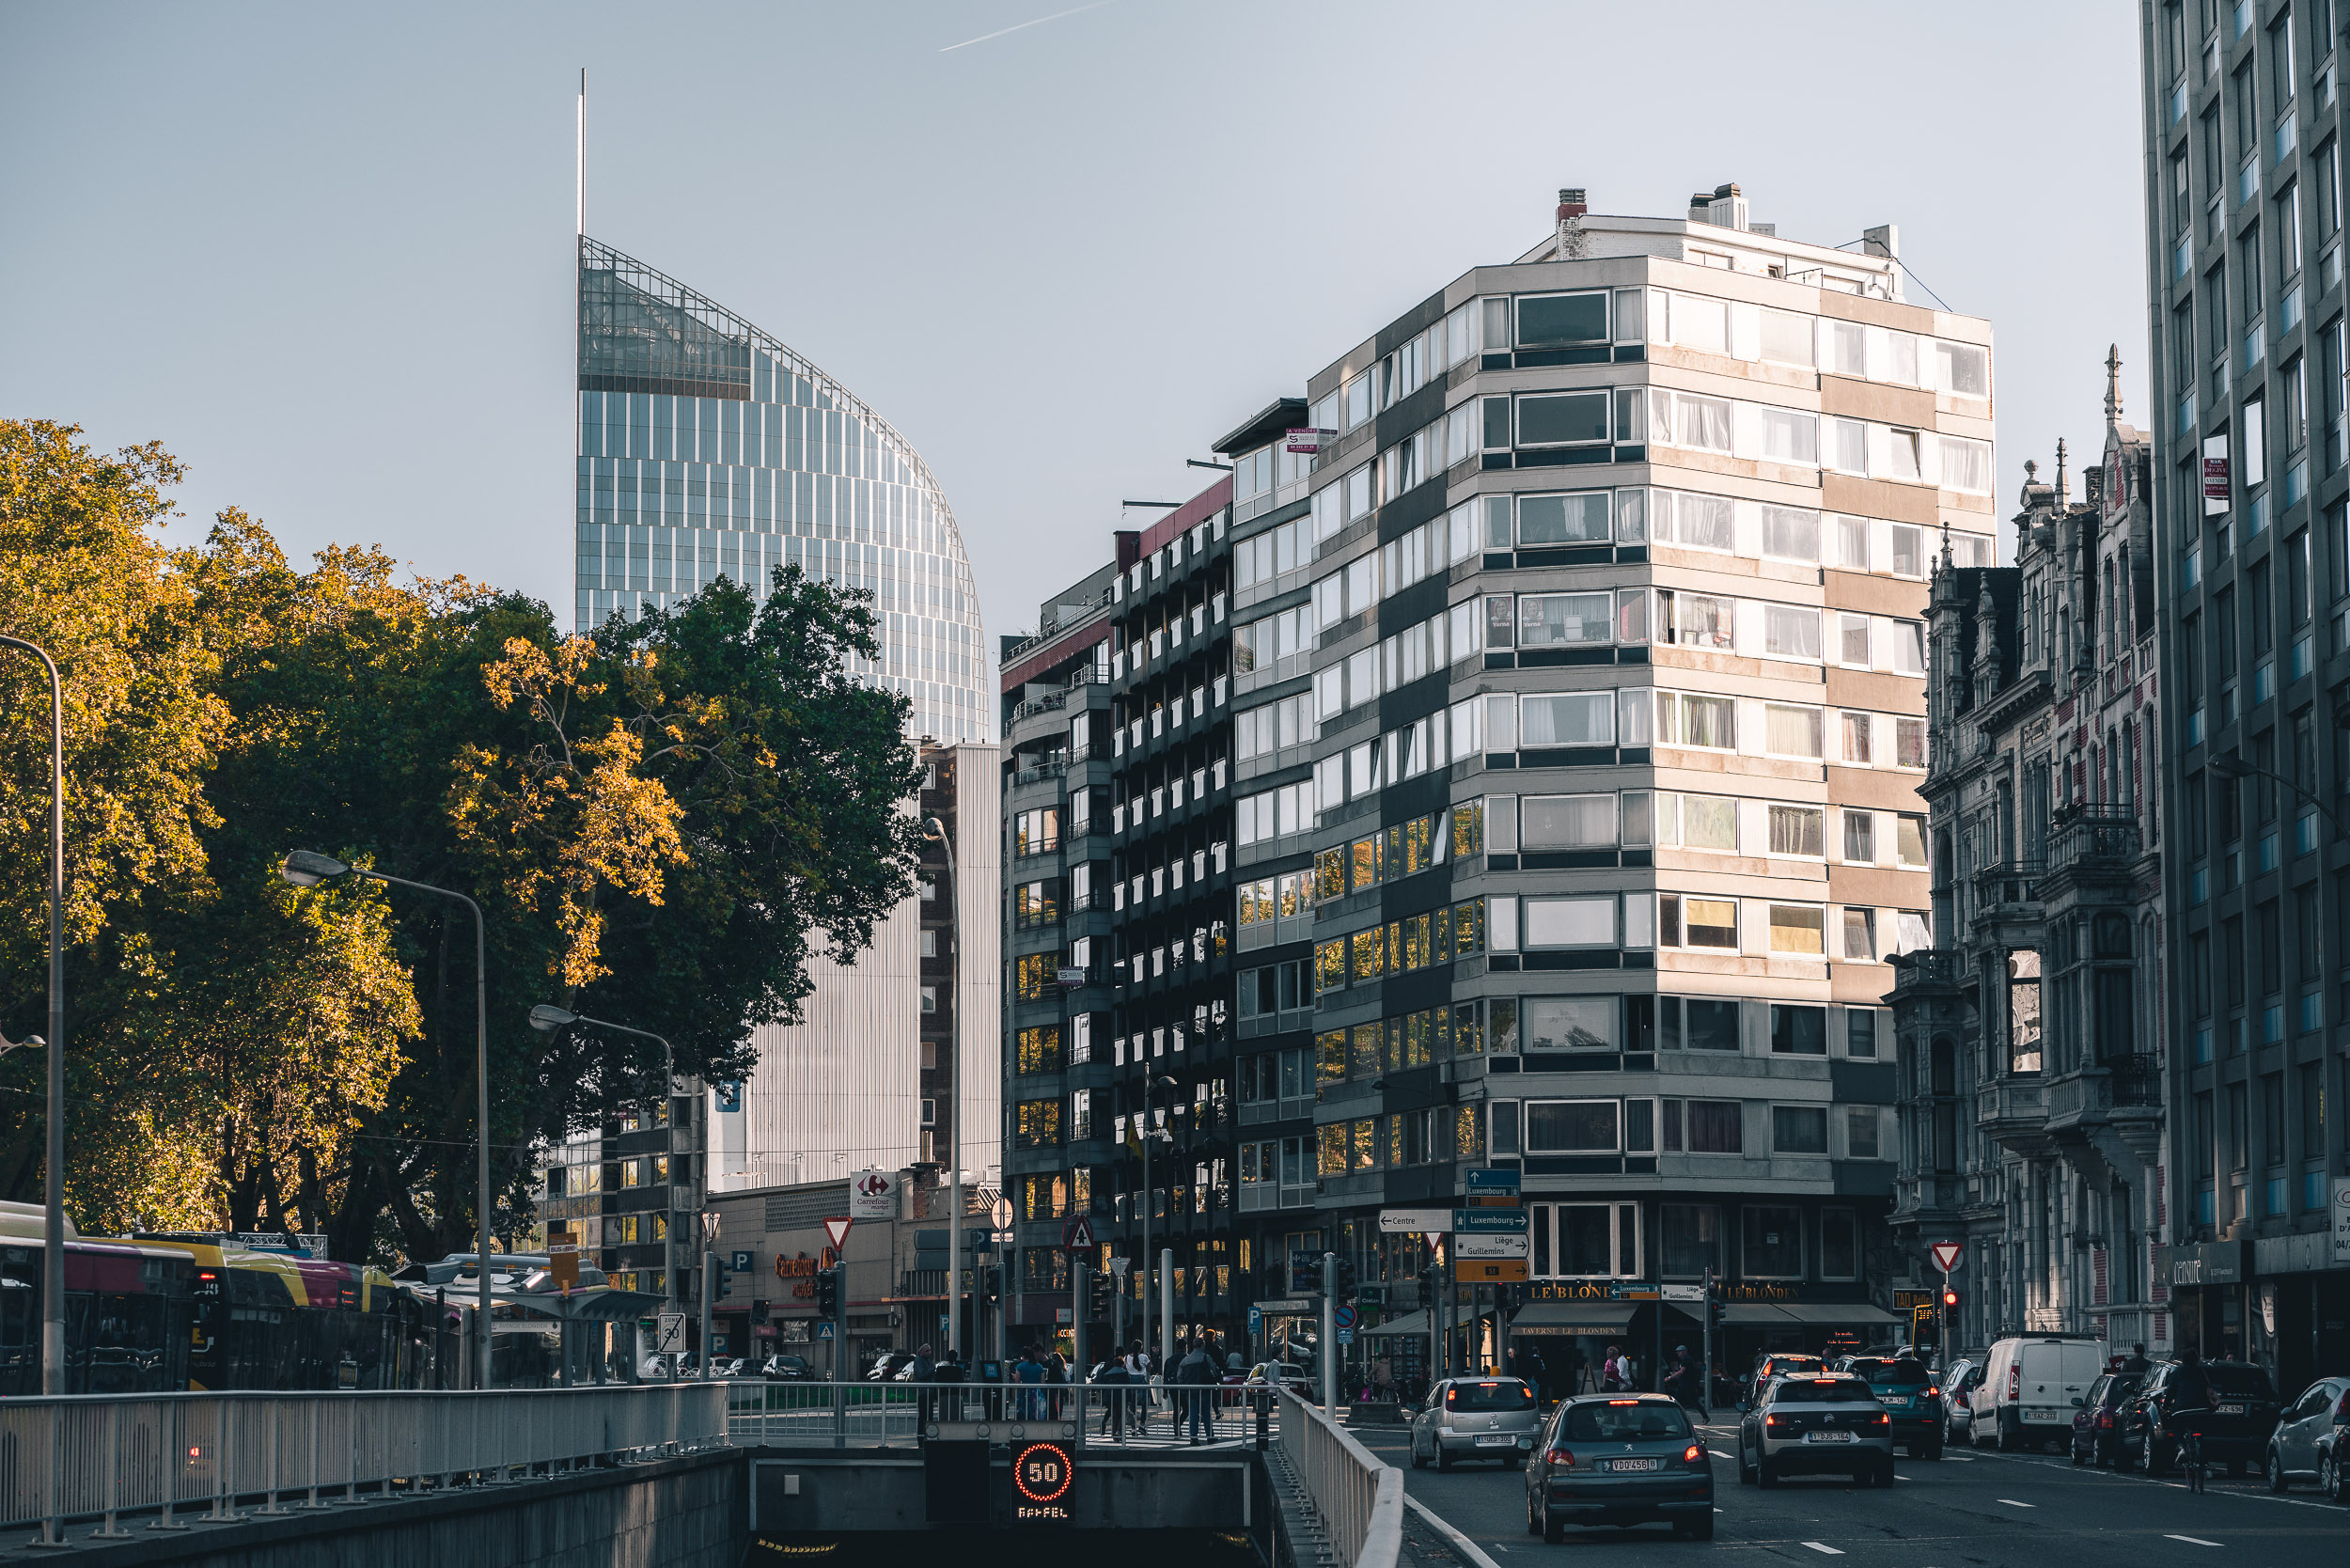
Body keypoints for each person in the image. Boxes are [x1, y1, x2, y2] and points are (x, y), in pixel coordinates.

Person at [1177, 1336, 1217, 1444]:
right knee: (1206, 1413)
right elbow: (1214, 1370)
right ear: (1202, 1345)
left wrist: (1184, 1387)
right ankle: (1210, 1436)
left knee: (1193, 1413)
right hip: (1205, 1389)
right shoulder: (1206, 1358)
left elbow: (1179, 1376)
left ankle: (1193, 1437)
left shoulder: (1186, 1360)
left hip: (1191, 1390)